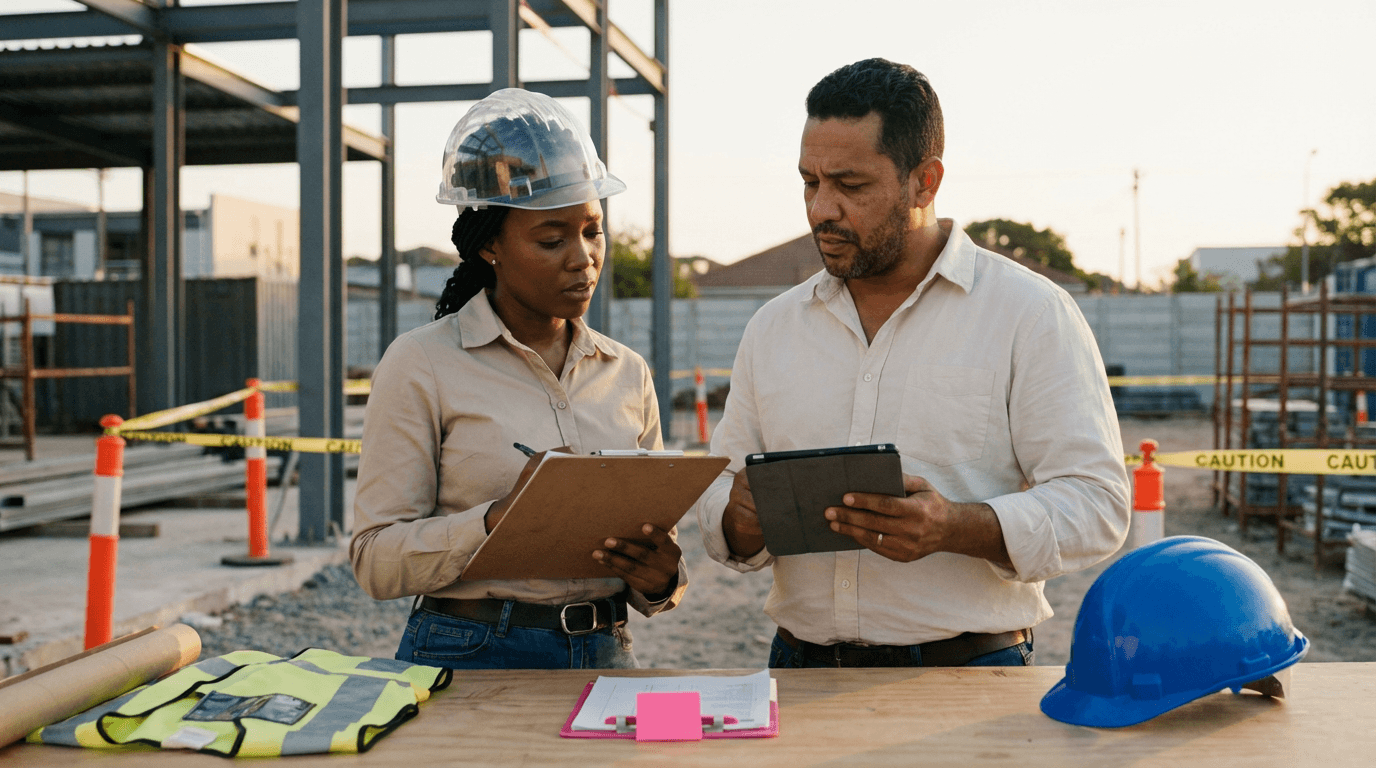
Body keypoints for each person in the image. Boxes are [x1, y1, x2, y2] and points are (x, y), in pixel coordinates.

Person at [693, 59, 1131, 668]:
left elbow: (1098, 503)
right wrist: (739, 518)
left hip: (968, 673)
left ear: (925, 182)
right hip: (799, 672)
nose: (821, 208)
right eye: (809, 182)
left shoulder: (1029, 314)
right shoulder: (773, 329)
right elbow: (723, 496)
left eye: (849, 185)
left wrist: (956, 526)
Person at [350, 88, 686, 670]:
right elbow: (375, 561)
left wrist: (662, 579)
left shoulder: (627, 373)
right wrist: (496, 521)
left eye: (592, 230)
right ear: (491, 250)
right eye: (552, 240)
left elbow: (651, 561)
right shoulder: (422, 363)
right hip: (470, 652)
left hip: (606, 650)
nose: (583, 257)